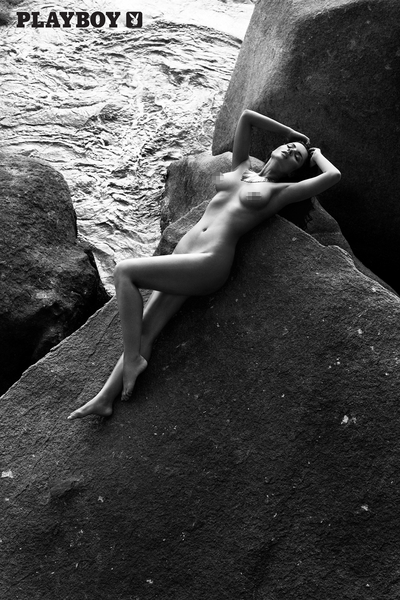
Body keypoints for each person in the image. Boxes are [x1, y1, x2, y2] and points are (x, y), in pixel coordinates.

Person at [68, 109, 341, 420]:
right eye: (290, 147)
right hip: (185, 253)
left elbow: (333, 176)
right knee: (147, 326)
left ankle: (132, 360)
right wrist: (290, 133)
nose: (291, 150)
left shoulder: (281, 192)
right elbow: (247, 117)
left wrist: (316, 155)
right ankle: (105, 398)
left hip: (210, 261)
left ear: (294, 172)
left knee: (124, 272)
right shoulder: (241, 170)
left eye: (297, 157)